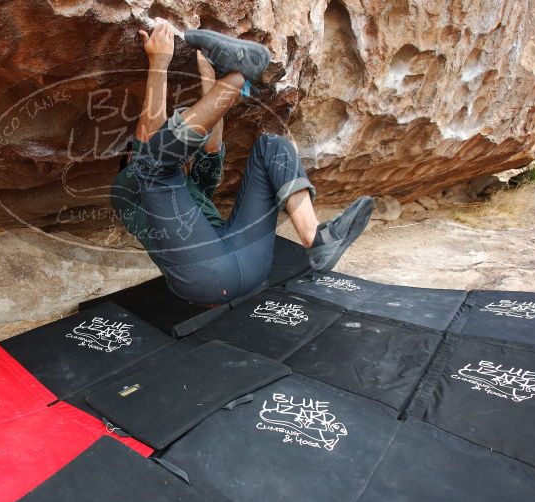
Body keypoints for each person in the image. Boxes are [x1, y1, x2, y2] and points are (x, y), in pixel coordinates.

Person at [111, 19, 373, 306]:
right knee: (153, 165)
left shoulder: (192, 187)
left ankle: (316, 238)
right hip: (208, 279)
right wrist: (159, 62)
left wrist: (210, 78)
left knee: (270, 145)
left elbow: (211, 145)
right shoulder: (127, 191)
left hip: (248, 263)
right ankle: (240, 74)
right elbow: (150, 141)